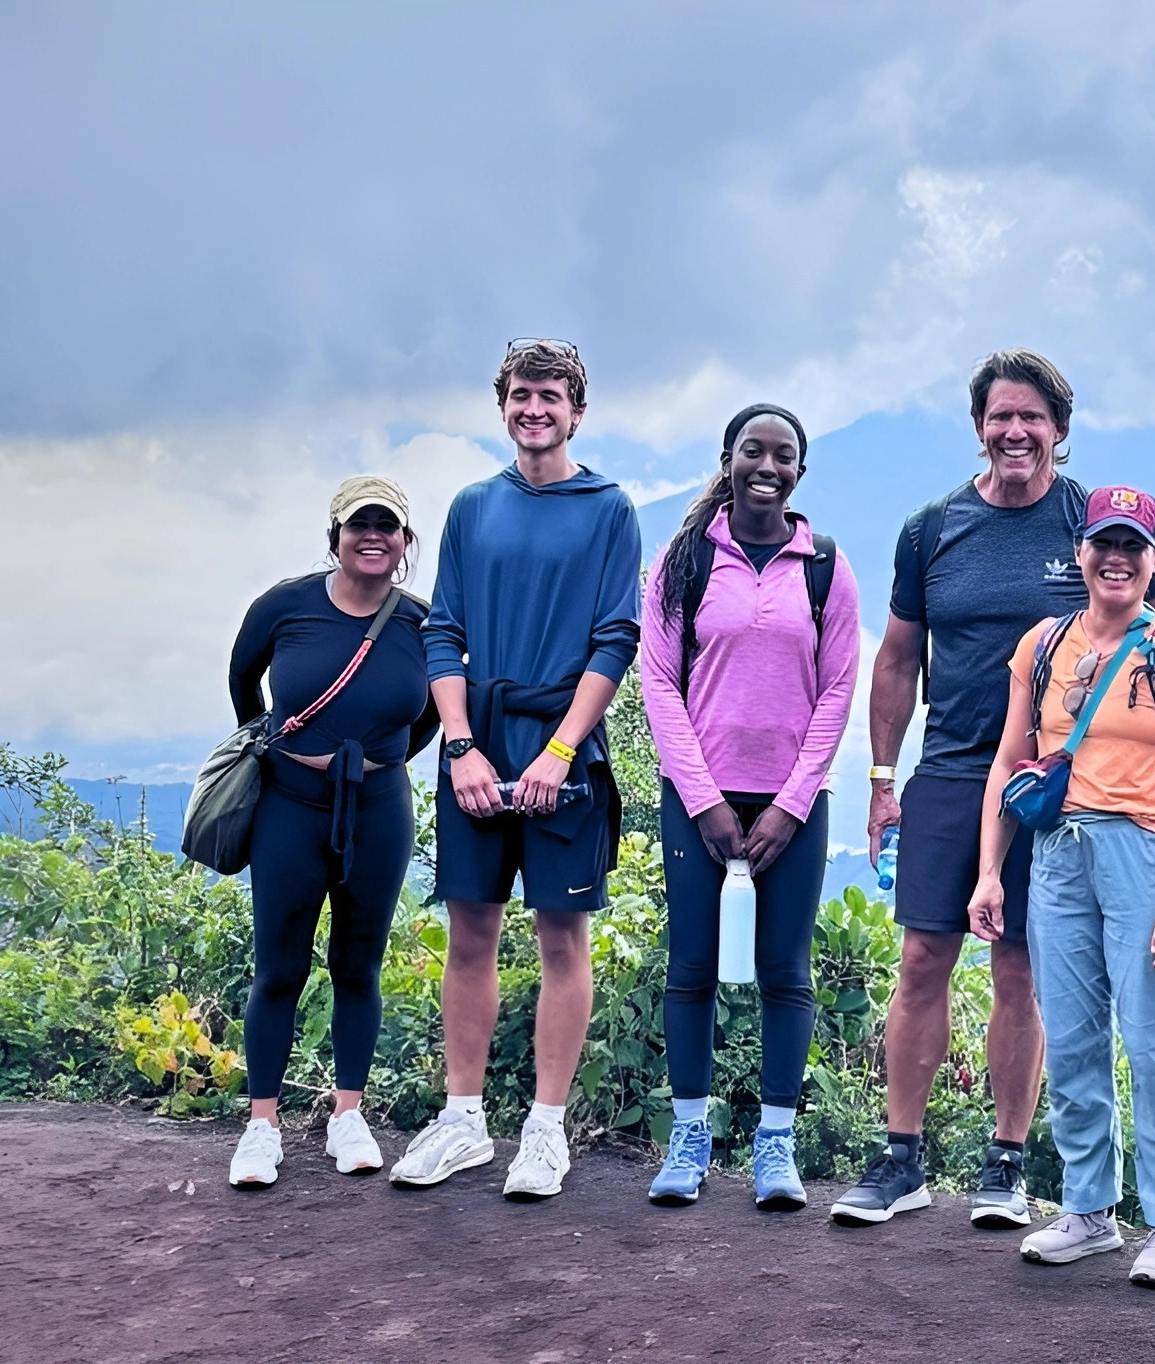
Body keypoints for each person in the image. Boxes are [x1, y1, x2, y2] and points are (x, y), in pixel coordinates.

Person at [831, 348, 1155, 1229]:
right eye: (1000, 416)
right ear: (979, 428)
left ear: (1060, 433)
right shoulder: (933, 529)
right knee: (923, 959)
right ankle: (902, 1159)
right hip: (957, 766)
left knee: (1024, 971)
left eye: (1032, 418)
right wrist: (883, 778)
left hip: (1068, 793)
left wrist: (1131, 719)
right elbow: (896, 660)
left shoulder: (1094, 523)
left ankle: (1006, 1165)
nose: (1016, 432)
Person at [390, 339, 643, 1200]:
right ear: (503, 405)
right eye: (521, 395)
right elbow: (443, 629)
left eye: (551, 395)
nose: (535, 409)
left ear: (577, 409)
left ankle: (544, 1131)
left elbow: (617, 637)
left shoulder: (610, 509)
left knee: (562, 938)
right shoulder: (471, 506)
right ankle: (463, 1121)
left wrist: (562, 750)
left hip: (565, 737)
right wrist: (459, 745)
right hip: (478, 737)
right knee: (471, 934)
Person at [970, 485, 1155, 1289]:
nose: (1116, 559)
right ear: (1079, 553)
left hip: (1145, 856)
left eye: (1133, 547)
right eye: (1102, 544)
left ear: (1154, 560)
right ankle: (1087, 1208)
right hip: (1057, 855)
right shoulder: (1042, 646)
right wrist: (988, 871)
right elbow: (1010, 763)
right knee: (1074, 1036)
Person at [639, 403, 858, 1211]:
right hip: (700, 796)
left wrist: (794, 802)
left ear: (801, 470)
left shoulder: (825, 566)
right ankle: (689, 1140)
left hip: (792, 806)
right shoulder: (684, 561)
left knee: (784, 973)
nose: (767, 466)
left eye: (784, 455)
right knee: (693, 965)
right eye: (752, 452)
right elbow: (659, 682)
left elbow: (838, 689)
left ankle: (775, 1146)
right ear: (728, 459)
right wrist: (701, 799)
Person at [225, 476, 439, 1188]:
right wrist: (285, 750)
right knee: (279, 966)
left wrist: (379, 763)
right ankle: (262, 1126)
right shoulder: (284, 607)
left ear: (405, 542)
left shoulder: (419, 621)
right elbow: (243, 683)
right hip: (289, 804)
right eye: (359, 525)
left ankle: (350, 1113)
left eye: (388, 526)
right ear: (335, 536)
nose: (372, 536)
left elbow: (432, 712)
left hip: (377, 807)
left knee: (357, 964)